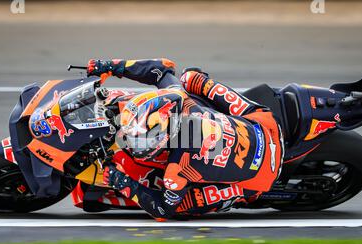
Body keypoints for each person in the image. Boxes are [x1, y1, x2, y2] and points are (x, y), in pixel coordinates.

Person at [87, 58, 284, 220]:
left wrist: (123, 183)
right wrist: (113, 66)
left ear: (164, 136)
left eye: (142, 141)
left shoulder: (176, 170)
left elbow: (163, 210)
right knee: (190, 77)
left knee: (181, 206)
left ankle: (244, 194)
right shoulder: (179, 96)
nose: (134, 145)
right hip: (265, 123)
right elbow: (161, 68)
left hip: (261, 178)